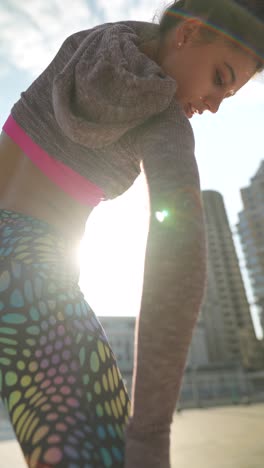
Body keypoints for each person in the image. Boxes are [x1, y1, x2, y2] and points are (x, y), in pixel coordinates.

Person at [0, 0, 263, 467]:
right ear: (189, 33)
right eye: (221, 79)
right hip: (24, 277)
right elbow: (179, 255)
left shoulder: (94, 43)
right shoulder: (165, 123)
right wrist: (150, 434)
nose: (214, 106)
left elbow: (160, 34)